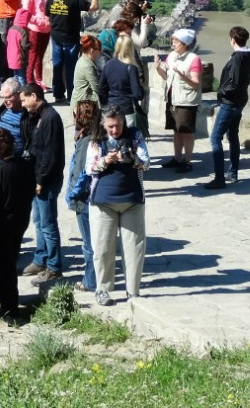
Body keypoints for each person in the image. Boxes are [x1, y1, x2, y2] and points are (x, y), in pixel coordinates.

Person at [85, 106, 150, 306]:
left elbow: (146, 163)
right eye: (111, 126)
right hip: (102, 203)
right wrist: (106, 160)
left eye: (118, 125)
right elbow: (89, 169)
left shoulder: (135, 135)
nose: (115, 130)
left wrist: (133, 159)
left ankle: (133, 291)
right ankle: (103, 289)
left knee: (134, 249)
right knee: (103, 248)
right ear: (103, 125)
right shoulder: (96, 140)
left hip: (132, 201)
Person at [0, 126, 33, 320]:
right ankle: (9, 305)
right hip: (19, 222)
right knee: (10, 263)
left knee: (0, 268)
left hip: (0, 227)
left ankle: (9, 308)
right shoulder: (23, 165)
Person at [19, 85, 66, 284]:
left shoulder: (50, 118)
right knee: (38, 221)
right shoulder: (36, 116)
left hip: (46, 180)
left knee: (48, 224)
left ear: (34, 96)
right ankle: (40, 259)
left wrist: (41, 181)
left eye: (24, 100)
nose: (22, 104)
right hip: (35, 177)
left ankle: (54, 267)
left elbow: (50, 155)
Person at [203, 26, 250, 190]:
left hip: (230, 102)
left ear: (232, 40)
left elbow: (234, 83)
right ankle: (232, 173)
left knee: (215, 137)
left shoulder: (238, 57)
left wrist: (221, 92)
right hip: (240, 100)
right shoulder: (247, 55)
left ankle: (219, 178)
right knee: (233, 136)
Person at [45, 0, 101, 104]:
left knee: (57, 66)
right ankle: (72, 96)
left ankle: (58, 94)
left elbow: (47, 15)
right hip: (71, 38)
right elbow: (93, 7)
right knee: (71, 69)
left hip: (56, 37)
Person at [64, 98, 100, 293]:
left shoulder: (86, 141)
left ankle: (90, 281)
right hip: (91, 196)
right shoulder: (90, 135)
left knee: (89, 243)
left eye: (75, 112)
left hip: (84, 199)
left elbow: (80, 173)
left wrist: (72, 195)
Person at [157, 28, 203, 173]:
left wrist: (184, 77)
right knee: (176, 131)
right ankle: (177, 158)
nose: (173, 44)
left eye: (176, 42)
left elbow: (196, 84)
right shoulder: (171, 56)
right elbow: (166, 77)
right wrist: (158, 68)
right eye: (173, 41)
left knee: (186, 133)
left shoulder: (194, 59)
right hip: (172, 99)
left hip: (186, 101)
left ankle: (187, 161)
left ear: (185, 44)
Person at [98, 33, 143, 125]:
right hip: (127, 110)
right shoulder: (131, 68)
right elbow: (138, 94)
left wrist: (106, 104)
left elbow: (101, 90)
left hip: (111, 109)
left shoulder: (108, 65)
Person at [21, 0, 52, 93]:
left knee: (40, 56)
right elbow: (25, 12)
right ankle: (30, 83)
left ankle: (39, 81)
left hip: (46, 29)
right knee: (32, 57)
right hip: (34, 29)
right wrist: (39, 21)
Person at [0, 77, 30, 160]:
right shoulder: (2, 110)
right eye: (2, 97)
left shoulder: (28, 114)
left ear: (18, 94)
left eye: (8, 97)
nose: (4, 101)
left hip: (18, 160)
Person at [73, 34, 104, 108]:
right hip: (84, 106)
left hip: (80, 102)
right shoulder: (88, 66)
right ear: (92, 51)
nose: (100, 53)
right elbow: (96, 87)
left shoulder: (83, 59)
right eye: (99, 50)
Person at [5, 5, 32, 87]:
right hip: (20, 58)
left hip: (11, 57)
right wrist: (30, 44)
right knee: (22, 77)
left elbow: (7, 40)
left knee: (16, 76)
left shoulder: (11, 28)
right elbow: (24, 45)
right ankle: (24, 92)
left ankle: (16, 91)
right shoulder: (23, 31)